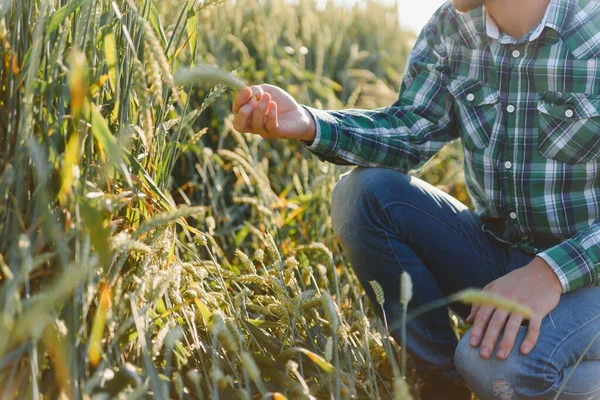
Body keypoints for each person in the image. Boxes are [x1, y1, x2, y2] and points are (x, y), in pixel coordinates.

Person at [231, 0, 600, 398]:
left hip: (589, 274)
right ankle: (441, 386)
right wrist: (309, 123)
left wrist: (551, 272)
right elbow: (411, 129)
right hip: (501, 262)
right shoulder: (451, 27)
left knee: (496, 368)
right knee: (364, 196)